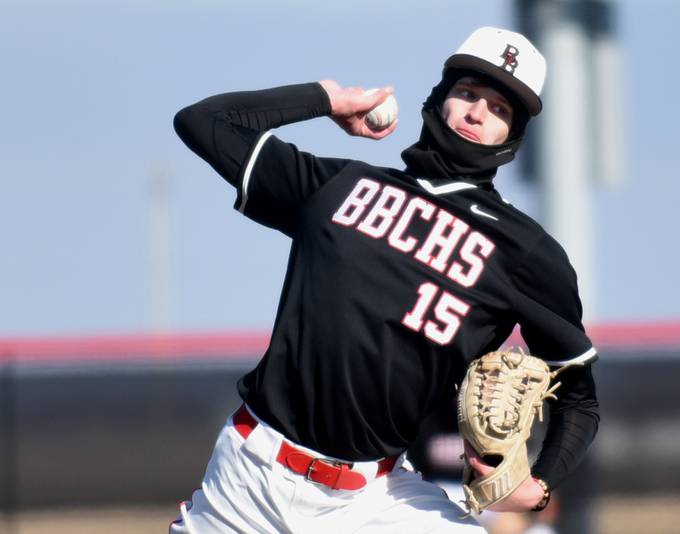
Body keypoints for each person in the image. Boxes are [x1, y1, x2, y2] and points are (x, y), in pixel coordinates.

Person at [171, 26, 599, 533]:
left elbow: (578, 394)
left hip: (378, 502)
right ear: (440, 98)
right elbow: (203, 122)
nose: (477, 114)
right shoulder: (339, 187)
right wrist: (326, 99)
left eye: (500, 109)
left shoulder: (525, 253)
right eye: (467, 93)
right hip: (249, 483)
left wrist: (540, 485)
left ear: (513, 136)